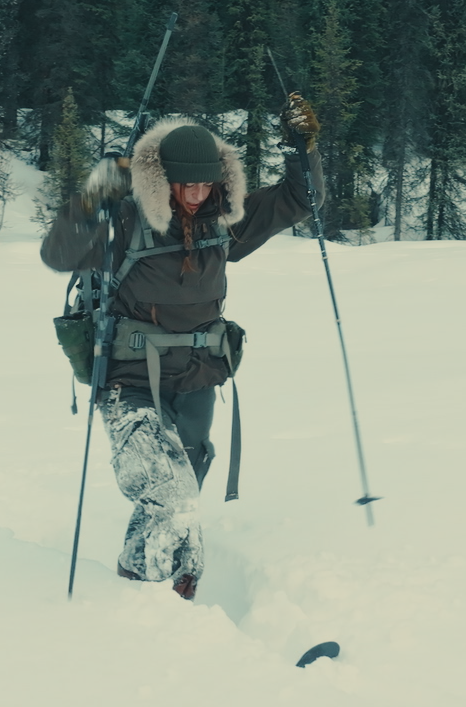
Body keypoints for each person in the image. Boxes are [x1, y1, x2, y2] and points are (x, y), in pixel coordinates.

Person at [40, 95, 323, 600]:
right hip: (129, 381)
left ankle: (165, 591)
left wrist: (303, 149)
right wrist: (94, 194)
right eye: (185, 183)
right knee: (169, 493)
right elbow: (58, 253)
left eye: (205, 183)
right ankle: (144, 599)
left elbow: (301, 200)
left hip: (196, 379)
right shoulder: (127, 221)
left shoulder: (225, 221)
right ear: (162, 179)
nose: (195, 194)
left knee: (183, 490)